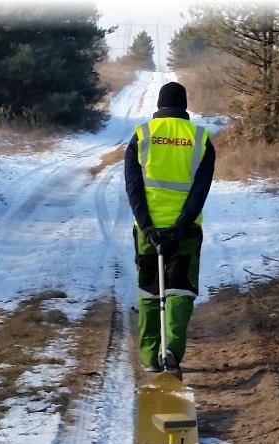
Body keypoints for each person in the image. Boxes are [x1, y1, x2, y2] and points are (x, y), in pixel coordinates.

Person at [124, 81, 215, 379]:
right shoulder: (200, 138)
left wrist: (147, 225)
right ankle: (172, 351)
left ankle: (150, 358)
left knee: (150, 292)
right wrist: (181, 225)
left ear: (159, 106)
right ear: (184, 106)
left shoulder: (142, 136)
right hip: (186, 233)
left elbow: (134, 188)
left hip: (148, 232)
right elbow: (200, 190)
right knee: (179, 290)